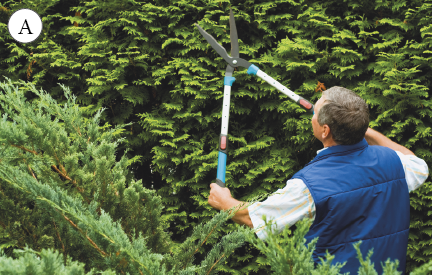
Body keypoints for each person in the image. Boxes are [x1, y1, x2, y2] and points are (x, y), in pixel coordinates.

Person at [208, 86, 429, 274]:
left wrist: (224, 202)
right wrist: (363, 130)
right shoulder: (395, 162)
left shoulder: (310, 185)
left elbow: (255, 220)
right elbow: (417, 164)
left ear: (325, 131)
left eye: (315, 112)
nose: (311, 115)